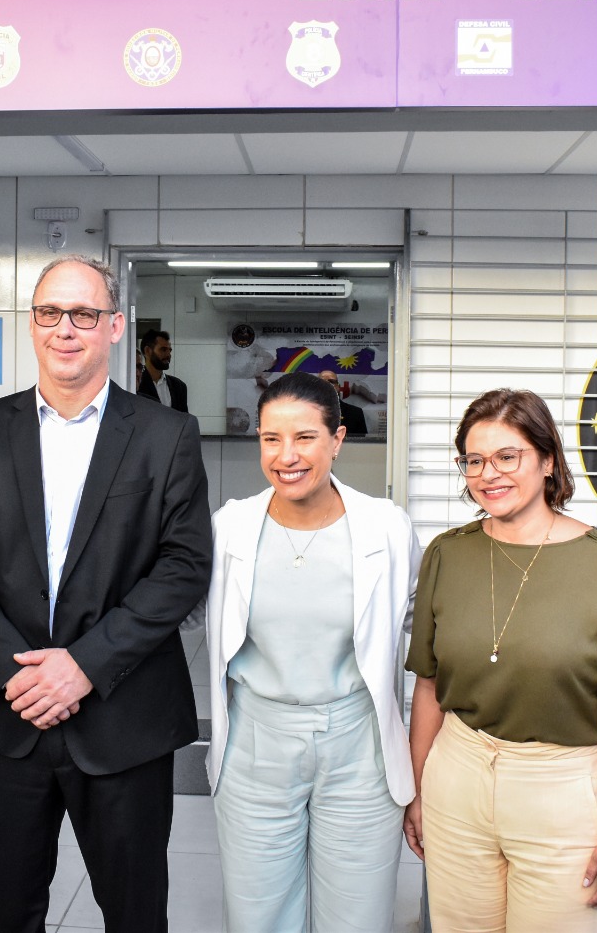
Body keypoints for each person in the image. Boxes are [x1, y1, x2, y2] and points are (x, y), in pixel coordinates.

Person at [0, 253, 212, 933]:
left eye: (83, 314)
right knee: (8, 912)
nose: (65, 328)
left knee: (134, 915)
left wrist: (83, 665)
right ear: (32, 324)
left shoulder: (166, 434)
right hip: (10, 714)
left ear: (114, 326)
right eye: (50, 312)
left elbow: (183, 565)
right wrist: (16, 672)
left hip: (124, 716)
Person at [405, 388, 597, 932]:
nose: (488, 474)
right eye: (474, 460)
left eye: (507, 456)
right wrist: (420, 793)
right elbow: (429, 685)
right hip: (457, 776)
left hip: (562, 790)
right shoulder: (447, 554)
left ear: (548, 461)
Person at [201, 371, 420, 931]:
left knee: (357, 917)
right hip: (256, 743)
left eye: (305, 437)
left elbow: (424, 625)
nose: (286, 456)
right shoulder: (230, 527)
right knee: (258, 916)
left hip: (359, 747)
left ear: (337, 439)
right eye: (271, 439)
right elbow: (182, 608)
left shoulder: (386, 527)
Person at [136, 328, 189, 413]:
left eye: (169, 350)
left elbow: (184, 418)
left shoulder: (179, 386)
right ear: (148, 351)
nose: (168, 354)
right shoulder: (137, 383)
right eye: (163, 349)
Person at [318, 369, 368, 437]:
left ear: (338, 387)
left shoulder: (355, 413)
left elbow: (362, 442)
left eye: (332, 382)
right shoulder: (306, 413)